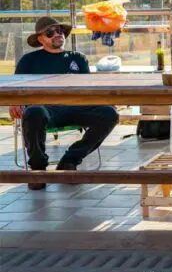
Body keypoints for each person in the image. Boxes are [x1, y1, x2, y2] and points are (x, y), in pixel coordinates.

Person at [10, 17, 119, 190]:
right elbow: (15, 88)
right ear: (40, 39)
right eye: (50, 32)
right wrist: (14, 102)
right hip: (45, 110)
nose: (57, 34)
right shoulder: (29, 60)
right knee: (33, 112)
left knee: (109, 114)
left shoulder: (78, 58)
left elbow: (89, 89)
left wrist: (104, 101)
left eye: (60, 30)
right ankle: (38, 169)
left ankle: (70, 160)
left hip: (76, 107)